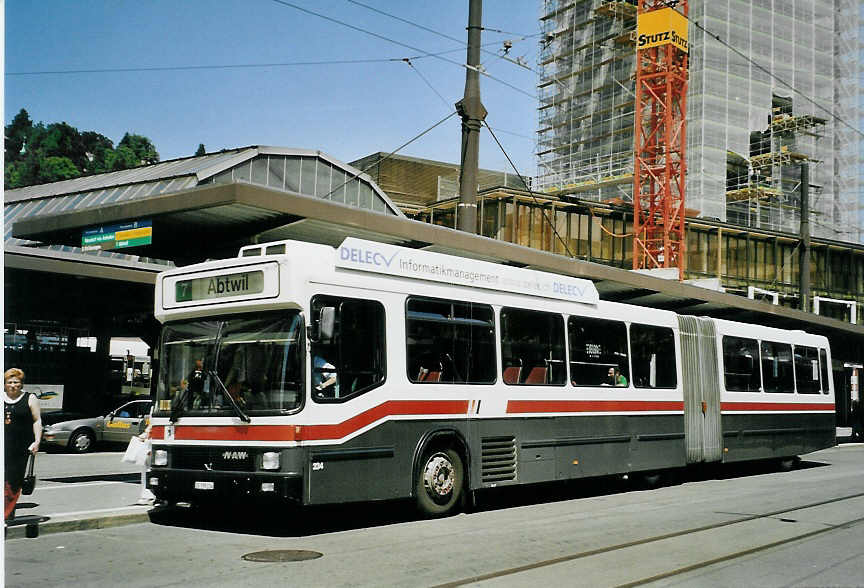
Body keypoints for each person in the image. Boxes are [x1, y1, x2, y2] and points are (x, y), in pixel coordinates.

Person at [4, 368, 41, 520]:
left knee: (12, 482)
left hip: (20, 447)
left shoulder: (30, 398)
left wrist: (37, 441)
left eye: (16, 382)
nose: (13, 385)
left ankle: (6, 515)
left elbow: (37, 420)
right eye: (10, 382)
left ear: (21, 384)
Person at [135, 406, 156, 505]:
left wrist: (145, 435)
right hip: (150, 441)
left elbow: (152, 426)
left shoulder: (156, 407)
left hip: (151, 442)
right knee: (147, 468)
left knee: (148, 469)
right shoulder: (155, 406)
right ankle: (148, 495)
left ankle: (148, 495)